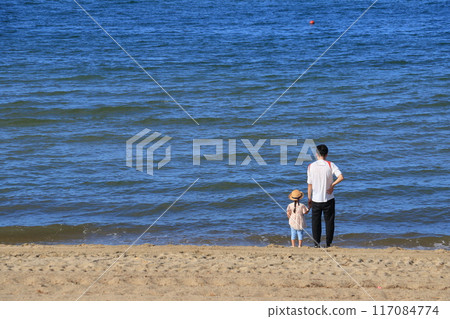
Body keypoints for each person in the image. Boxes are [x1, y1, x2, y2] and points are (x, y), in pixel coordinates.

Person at [307, 144, 344, 248]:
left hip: (315, 199)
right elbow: (341, 177)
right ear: (326, 154)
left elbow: (310, 184)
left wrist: (309, 198)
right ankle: (328, 244)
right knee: (329, 222)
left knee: (315, 222)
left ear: (316, 154)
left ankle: (316, 244)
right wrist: (332, 185)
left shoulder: (310, 166)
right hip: (328, 198)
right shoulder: (330, 164)